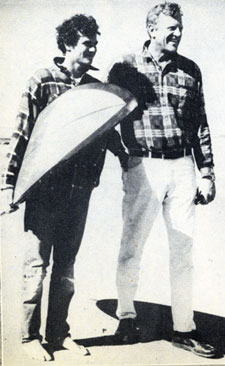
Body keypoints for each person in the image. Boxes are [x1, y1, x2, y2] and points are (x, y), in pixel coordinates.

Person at [0, 14, 128, 361]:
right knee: (36, 267)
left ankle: (59, 334)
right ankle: (29, 338)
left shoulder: (92, 88)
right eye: (87, 43)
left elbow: (107, 130)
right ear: (69, 44)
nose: (93, 48)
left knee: (66, 268)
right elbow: (22, 134)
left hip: (79, 192)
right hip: (44, 194)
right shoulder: (41, 82)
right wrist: (8, 185)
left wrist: (127, 156)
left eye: (94, 43)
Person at [108, 2, 217, 359]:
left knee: (183, 253)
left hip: (183, 167)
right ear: (151, 29)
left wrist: (207, 172)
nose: (177, 33)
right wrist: (125, 157)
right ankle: (126, 317)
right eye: (169, 28)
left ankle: (183, 329)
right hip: (145, 167)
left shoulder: (190, 70)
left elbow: (200, 124)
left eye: (179, 28)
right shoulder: (125, 67)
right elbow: (106, 118)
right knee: (131, 247)